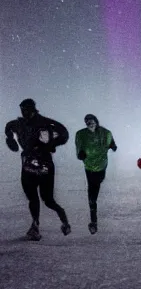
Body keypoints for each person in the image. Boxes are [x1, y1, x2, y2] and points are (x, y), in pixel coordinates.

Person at [5, 99, 71, 240]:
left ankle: (63, 218)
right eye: (23, 109)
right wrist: (10, 139)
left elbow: (64, 134)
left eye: (28, 109)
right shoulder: (18, 124)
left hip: (44, 163)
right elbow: (8, 128)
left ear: (34, 109)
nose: (25, 112)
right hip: (28, 163)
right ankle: (35, 225)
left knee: (47, 199)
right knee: (32, 197)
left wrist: (50, 145)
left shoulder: (46, 123)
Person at [75, 114, 117, 234]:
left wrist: (112, 145)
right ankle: (93, 220)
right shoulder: (81, 134)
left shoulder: (104, 132)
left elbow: (110, 138)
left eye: (92, 121)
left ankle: (93, 211)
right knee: (92, 192)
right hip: (89, 167)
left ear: (96, 122)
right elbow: (79, 146)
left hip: (101, 166)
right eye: (88, 122)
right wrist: (80, 154)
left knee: (96, 185)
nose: (90, 124)